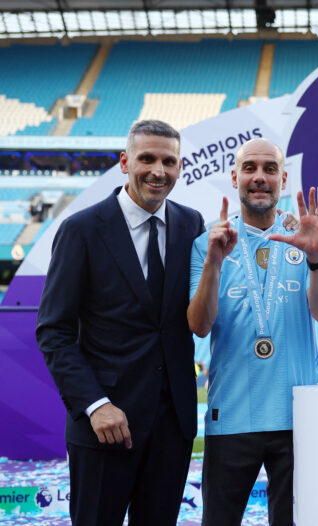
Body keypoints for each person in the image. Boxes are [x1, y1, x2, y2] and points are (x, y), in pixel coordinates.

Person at [36, 120, 205, 525]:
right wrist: (95, 405)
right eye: (147, 159)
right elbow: (53, 330)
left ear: (180, 167)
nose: (158, 171)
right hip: (105, 424)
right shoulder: (80, 230)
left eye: (169, 161)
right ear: (124, 163)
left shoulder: (192, 225)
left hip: (173, 425)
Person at [187, 137, 318, 526]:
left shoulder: (304, 237)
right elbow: (199, 326)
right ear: (234, 177)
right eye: (250, 168)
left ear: (283, 179)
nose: (259, 178)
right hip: (232, 413)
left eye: (269, 169)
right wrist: (215, 265)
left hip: (297, 415)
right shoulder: (208, 243)